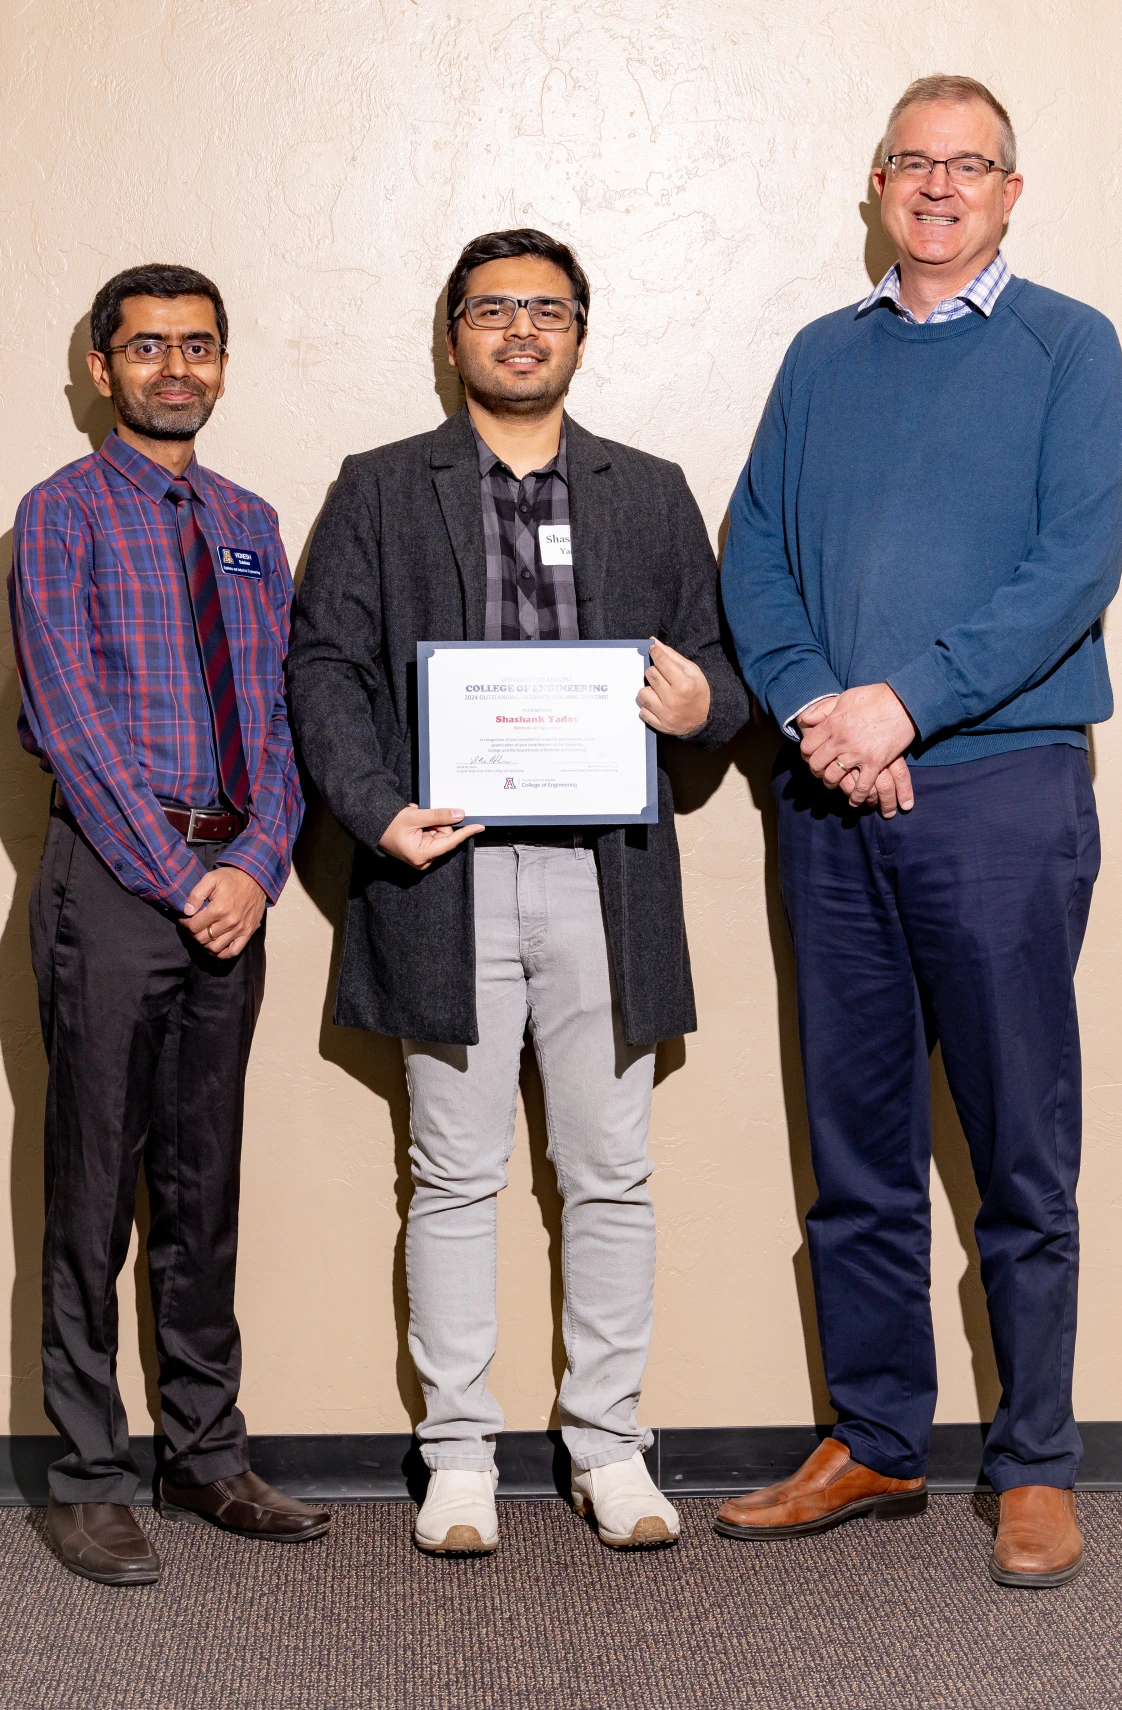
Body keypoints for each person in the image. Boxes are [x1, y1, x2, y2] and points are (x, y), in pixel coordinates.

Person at [718, 76, 1122, 1587]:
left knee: (1021, 1140)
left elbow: (1073, 565)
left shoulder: (1071, 346)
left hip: (1002, 789)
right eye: (914, 162)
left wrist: (911, 707)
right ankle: (880, 1435)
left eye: (971, 166)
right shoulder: (820, 358)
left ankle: (1032, 1462)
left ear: (1012, 191)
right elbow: (753, 551)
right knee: (858, 1143)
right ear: (876, 186)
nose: (940, 186)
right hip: (832, 792)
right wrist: (830, 709)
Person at [288, 228, 749, 1556]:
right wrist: (377, 809)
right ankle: (460, 1455)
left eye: (547, 309)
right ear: (454, 336)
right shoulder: (380, 488)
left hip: (609, 878)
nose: (522, 330)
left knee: (609, 1170)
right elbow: (323, 668)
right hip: (446, 875)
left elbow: (722, 663)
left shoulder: (649, 490)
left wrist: (702, 697)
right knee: (452, 1171)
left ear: (581, 333)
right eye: (495, 310)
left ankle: (608, 1445)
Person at [9, 263, 330, 1585]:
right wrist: (175, 871)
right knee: (94, 1188)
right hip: (111, 890)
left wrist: (258, 864)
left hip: (233, 895)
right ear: (102, 367)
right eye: (147, 348)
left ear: (221, 361)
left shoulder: (253, 521)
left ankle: (205, 1450)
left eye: (197, 346)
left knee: (206, 1184)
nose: (175, 368)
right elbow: (69, 724)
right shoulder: (59, 517)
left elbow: (287, 716)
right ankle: (88, 1472)